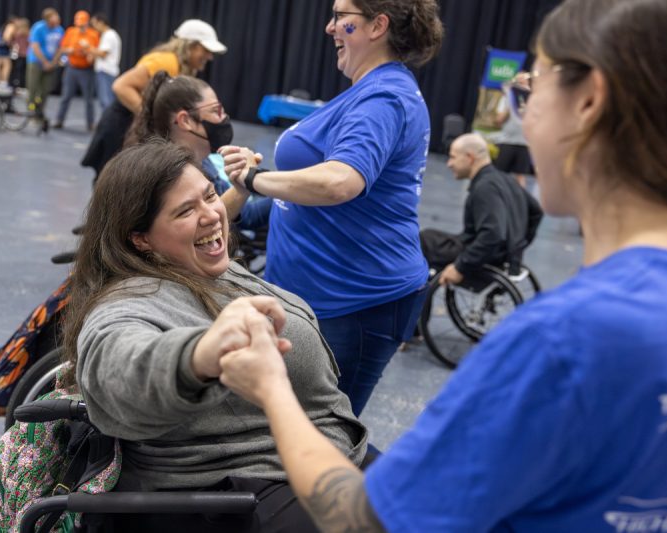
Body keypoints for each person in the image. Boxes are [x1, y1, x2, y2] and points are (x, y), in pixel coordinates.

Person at [217, 0, 667, 530]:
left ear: (588, 104)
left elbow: (362, 519)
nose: (522, 117)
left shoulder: (556, 340)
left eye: (530, 91)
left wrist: (272, 389)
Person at [62, 140, 367, 532]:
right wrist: (200, 355)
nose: (212, 215)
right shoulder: (128, 302)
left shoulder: (203, 267)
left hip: (311, 458)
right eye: (186, 211)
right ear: (140, 238)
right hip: (244, 491)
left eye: (209, 195)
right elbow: (119, 369)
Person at [221, 0, 444, 416]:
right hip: (326, 296)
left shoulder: (383, 97)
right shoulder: (369, 90)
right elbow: (309, 196)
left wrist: (253, 180)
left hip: (355, 301)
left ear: (377, 26)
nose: (330, 27)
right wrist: (247, 207)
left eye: (342, 17)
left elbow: (341, 182)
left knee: (323, 436)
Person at [81, 19, 226, 180]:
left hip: (132, 124)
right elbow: (121, 86)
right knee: (110, 182)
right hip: (120, 124)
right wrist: (152, 119)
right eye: (205, 50)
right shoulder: (165, 62)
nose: (210, 56)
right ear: (189, 46)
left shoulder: (182, 68)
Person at [126, 72, 271, 231]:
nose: (224, 117)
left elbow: (247, 216)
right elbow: (201, 227)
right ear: (185, 120)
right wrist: (243, 187)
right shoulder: (168, 176)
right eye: (216, 111)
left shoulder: (203, 160)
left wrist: (291, 187)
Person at [420, 132, 542, 286]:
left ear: (470, 158)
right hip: (503, 255)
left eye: (453, 157)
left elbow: (493, 235)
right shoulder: (504, 178)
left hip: (484, 256)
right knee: (431, 236)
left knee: (424, 240)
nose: (449, 164)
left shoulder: (485, 188)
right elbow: (536, 211)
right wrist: (517, 247)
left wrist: (460, 267)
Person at [54, 10, 100, 131]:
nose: (80, 27)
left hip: (86, 70)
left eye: (82, 24)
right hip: (72, 68)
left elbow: (96, 52)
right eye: (78, 24)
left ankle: (90, 123)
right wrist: (69, 50)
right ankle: (59, 120)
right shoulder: (70, 32)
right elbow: (62, 48)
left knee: (88, 99)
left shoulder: (93, 34)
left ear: (87, 23)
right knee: (66, 96)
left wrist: (88, 52)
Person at [486, 81, 535, 187]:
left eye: (525, 83)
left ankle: (520, 200)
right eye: (520, 83)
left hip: (525, 144)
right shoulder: (506, 99)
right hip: (507, 142)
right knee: (500, 174)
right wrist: (509, 109)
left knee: (520, 176)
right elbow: (498, 121)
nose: (523, 86)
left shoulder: (534, 101)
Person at [25, 7, 64, 127]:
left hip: (51, 64)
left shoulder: (59, 30)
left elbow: (60, 48)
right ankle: (31, 111)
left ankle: (40, 112)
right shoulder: (38, 28)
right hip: (36, 62)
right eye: (55, 16)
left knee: (45, 90)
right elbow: (35, 47)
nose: (58, 18)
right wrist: (44, 62)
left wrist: (53, 63)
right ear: (48, 19)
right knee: (33, 88)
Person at [87, 13, 121, 111]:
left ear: (101, 22)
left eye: (94, 24)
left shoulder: (109, 35)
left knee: (106, 101)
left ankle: (109, 124)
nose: (94, 27)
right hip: (106, 71)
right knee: (106, 100)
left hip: (106, 71)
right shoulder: (107, 35)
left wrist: (88, 48)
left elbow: (103, 54)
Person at [0, 16, 18, 93]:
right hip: (1, 48)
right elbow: (7, 38)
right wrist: (12, 46)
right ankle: (2, 84)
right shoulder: (11, 26)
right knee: (6, 65)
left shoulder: (3, 27)